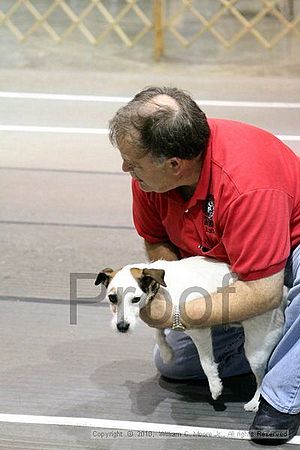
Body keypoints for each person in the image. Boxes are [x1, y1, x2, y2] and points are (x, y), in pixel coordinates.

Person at [108, 86, 300, 445]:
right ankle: (282, 344)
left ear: (174, 164)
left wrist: (179, 315)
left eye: (132, 162)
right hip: (227, 268)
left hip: (285, 255)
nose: (125, 168)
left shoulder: (247, 183)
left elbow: (263, 291)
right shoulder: (151, 181)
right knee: (176, 365)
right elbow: (157, 239)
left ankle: (283, 397)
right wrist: (167, 290)